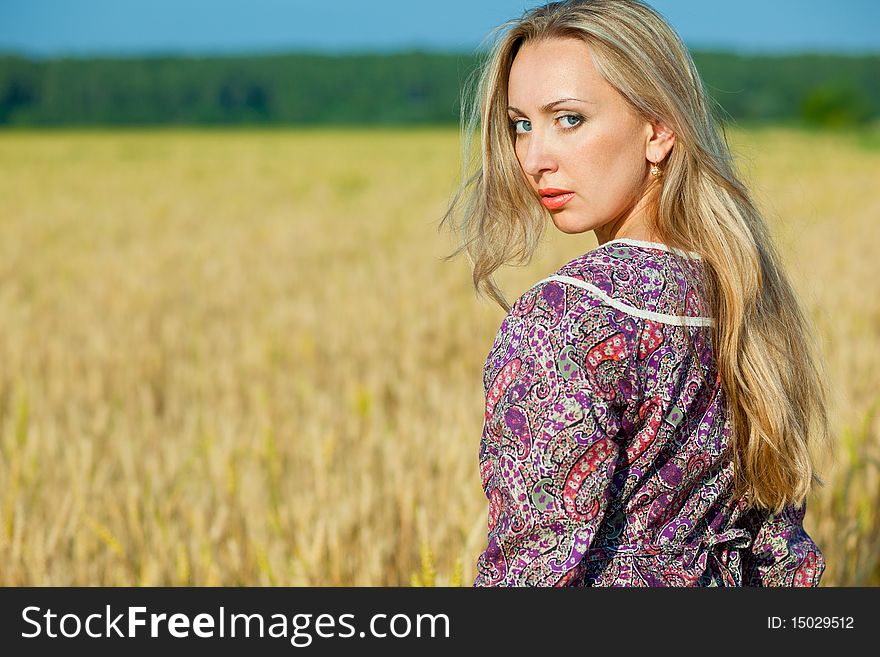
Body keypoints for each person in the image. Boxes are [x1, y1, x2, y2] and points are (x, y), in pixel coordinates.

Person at [441, 0, 831, 586]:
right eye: (522, 124)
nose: (534, 158)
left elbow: (531, 570)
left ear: (659, 130)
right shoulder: (740, 291)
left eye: (568, 119)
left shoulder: (563, 319)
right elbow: (781, 555)